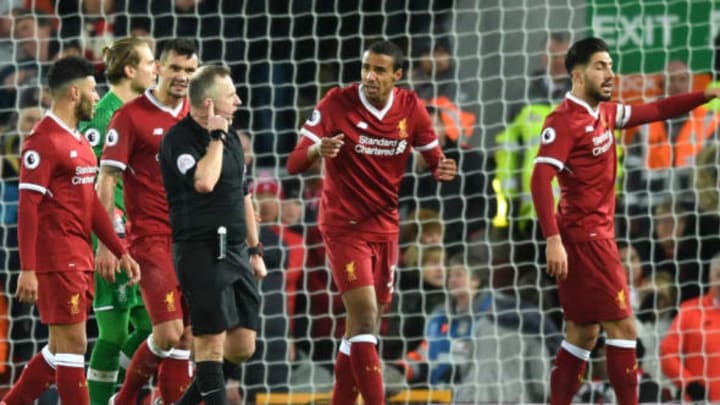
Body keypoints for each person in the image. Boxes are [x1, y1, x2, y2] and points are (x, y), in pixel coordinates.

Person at [530, 36, 720, 405]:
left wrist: (705, 95)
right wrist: (552, 239)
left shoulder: (604, 113)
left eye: (611, 67)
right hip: (585, 239)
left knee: (582, 334)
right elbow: (540, 179)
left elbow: (658, 109)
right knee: (624, 328)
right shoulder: (564, 121)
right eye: (601, 66)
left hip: (590, 237)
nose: (610, 74)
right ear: (578, 74)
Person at [286, 40, 457, 405]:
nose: (370, 76)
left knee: (364, 326)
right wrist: (318, 150)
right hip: (343, 225)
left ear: (397, 75)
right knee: (363, 319)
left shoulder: (412, 108)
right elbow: (294, 162)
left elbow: (433, 158)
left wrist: (442, 168)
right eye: (366, 68)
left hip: (386, 227)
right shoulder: (336, 102)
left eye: (379, 70)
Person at [1, 55, 140, 405]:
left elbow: (91, 206)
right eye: (93, 91)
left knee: (57, 349)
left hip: (79, 256)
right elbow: (28, 209)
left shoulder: (80, 142)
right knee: (74, 346)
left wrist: (120, 250)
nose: (98, 98)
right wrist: (28, 269)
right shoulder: (42, 142)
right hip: (57, 258)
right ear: (74, 93)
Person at [158, 64, 266, 405]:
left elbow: (243, 194)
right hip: (201, 250)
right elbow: (204, 182)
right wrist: (216, 138)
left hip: (235, 250)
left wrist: (255, 248)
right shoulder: (178, 140)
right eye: (230, 95)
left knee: (243, 345)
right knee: (210, 343)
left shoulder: (232, 135)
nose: (238, 100)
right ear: (207, 103)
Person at [102, 38, 199, 405]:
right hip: (152, 239)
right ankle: (123, 399)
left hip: (194, 238)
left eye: (190, 70)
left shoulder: (197, 113)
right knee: (169, 332)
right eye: (175, 68)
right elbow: (107, 177)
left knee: (189, 337)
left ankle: (164, 400)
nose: (183, 77)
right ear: (158, 68)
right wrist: (110, 241)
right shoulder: (129, 115)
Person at [78, 37, 157, 405]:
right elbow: (92, 179)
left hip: (146, 234)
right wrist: (107, 238)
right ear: (130, 70)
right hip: (114, 234)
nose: (155, 68)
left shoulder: (145, 112)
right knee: (113, 331)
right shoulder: (104, 111)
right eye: (149, 62)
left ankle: (116, 397)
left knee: (150, 327)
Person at [659, 252, 720, 402]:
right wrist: (688, 382)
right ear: (710, 277)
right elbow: (667, 353)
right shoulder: (690, 310)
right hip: (701, 400)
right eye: (719, 275)